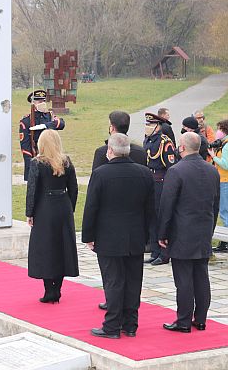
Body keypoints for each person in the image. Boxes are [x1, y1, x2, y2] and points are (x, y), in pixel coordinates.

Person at [82, 133, 156, 339]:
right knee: (133, 280)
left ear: (111, 151)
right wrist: (148, 235)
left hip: (108, 236)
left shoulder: (101, 174)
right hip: (135, 236)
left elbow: (91, 208)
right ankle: (130, 324)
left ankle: (112, 326)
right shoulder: (144, 173)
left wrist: (88, 235)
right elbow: (151, 209)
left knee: (113, 281)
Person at [158, 132, 220, 333]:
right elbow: (215, 205)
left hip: (182, 231)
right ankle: (200, 318)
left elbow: (167, 206)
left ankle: (183, 320)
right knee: (201, 276)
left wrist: (162, 233)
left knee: (183, 278)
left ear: (182, 147)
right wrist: (209, 229)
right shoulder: (212, 171)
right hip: (203, 230)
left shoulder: (176, 171)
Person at [92, 111, 147, 311]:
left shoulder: (102, 152)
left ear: (112, 127)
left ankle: (112, 303)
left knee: (112, 272)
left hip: (110, 220)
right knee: (132, 273)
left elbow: (95, 189)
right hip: (135, 220)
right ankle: (128, 313)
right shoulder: (140, 152)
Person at [26, 130, 79, 303]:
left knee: (46, 248)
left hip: (45, 208)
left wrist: (30, 213)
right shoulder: (66, 161)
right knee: (62, 247)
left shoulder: (37, 163)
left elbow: (32, 190)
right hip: (63, 205)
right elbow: (74, 188)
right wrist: (69, 207)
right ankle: (57, 288)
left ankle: (49, 289)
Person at [143, 112, 177, 265]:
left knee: (161, 216)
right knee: (151, 216)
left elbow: (171, 166)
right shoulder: (148, 140)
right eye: (147, 124)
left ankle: (164, 253)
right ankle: (155, 250)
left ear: (158, 127)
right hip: (150, 180)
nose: (147, 127)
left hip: (161, 181)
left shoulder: (165, 142)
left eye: (150, 125)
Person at [19, 90, 65, 181]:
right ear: (33, 103)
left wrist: (46, 125)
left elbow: (61, 124)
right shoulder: (26, 121)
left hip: (52, 157)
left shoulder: (49, 116)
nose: (42, 103)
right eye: (39, 101)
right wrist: (31, 168)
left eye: (43, 101)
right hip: (36, 157)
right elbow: (25, 148)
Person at [209, 120, 228, 252]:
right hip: (222, 180)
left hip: (224, 181)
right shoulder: (223, 144)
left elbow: (225, 164)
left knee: (224, 212)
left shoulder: (226, 146)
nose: (218, 132)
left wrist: (213, 156)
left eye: (219, 129)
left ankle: (226, 242)